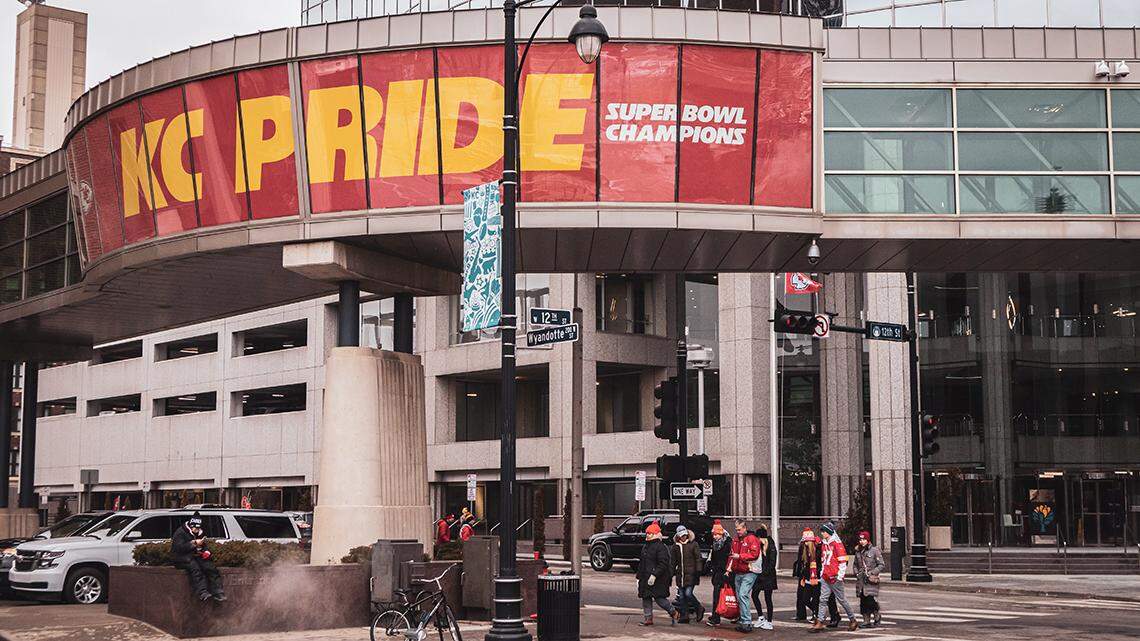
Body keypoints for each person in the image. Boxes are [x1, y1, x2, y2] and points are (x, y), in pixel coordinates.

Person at [811, 523, 858, 632]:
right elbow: (823, 560)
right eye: (822, 531)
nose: (822, 533)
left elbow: (842, 561)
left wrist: (840, 576)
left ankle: (853, 620)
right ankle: (820, 621)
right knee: (822, 599)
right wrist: (822, 573)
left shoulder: (837, 544)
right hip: (826, 577)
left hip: (835, 577)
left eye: (824, 531)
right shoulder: (824, 544)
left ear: (829, 532)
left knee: (842, 600)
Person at [730, 520, 773, 633]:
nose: (738, 532)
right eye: (736, 529)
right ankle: (744, 621)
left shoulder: (751, 539)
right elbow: (732, 555)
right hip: (739, 571)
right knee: (740, 596)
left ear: (744, 528)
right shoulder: (736, 540)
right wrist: (729, 568)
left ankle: (746, 622)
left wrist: (739, 556)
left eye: (739, 529)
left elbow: (754, 555)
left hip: (749, 571)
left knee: (743, 595)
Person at [172, 512, 225, 602]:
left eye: (198, 528)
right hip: (181, 558)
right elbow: (179, 548)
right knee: (196, 569)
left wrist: (206, 552)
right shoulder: (180, 533)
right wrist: (194, 543)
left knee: (210, 567)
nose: (197, 530)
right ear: (191, 525)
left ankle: (218, 592)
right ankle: (202, 593)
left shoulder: (200, 533)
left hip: (195, 556)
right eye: (195, 528)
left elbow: (203, 546)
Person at [637, 521, 678, 626]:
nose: (647, 535)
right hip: (645, 577)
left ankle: (672, 611)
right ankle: (648, 618)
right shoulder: (645, 547)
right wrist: (638, 578)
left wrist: (654, 575)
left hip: (658, 578)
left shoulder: (661, 547)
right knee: (646, 598)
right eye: (647, 533)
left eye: (649, 533)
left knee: (659, 599)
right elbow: (642, 564)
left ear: (655, 534)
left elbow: (663, 563)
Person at [853, 531, 885, 627]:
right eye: (861, 539)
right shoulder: (858, 551)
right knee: (863, 601)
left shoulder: (874, 550)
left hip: (871, 580)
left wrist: (872, 572)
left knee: (870, 600)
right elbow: (855, 564)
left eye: (864, 539)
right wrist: (856, 572)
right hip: (861, 580)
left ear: (868, 540)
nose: (862, 541)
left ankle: (877, 615)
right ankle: (866, 621)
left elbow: (881, 565)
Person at [672, 525, 702, 623]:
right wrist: (671, 572)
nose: (683, 537)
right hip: (680, 575)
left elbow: (698, 559)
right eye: (681, 535)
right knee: (681, 596)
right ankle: (685, 616)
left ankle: (699, 608)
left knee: (688, 594)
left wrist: (698, 571)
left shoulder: (693, 544)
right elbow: (673, 562)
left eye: (684, 535)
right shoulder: (675, 546)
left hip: (691, 574)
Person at [705, 520, 732, 627]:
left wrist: (727, 571)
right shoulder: (716, 544)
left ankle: (718, 617)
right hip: (718, 573)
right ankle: (716, 617)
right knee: (717, 596)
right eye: (714, 535)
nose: (715, 537)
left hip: (725, 573)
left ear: (722, 533)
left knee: (726, 595)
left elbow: (729, 559)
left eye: (717, 534)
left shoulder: (728, 543)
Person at [751, 524, 778, 624]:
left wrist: (764, 573)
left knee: (768, 598)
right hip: (760, 576)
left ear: (760, 537)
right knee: (754, 595)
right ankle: (761, 617)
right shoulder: (761, 545)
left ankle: (769, 621)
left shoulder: (770, 546)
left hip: (768, 576)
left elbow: (772, 563)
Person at [793, 527, 819, 622]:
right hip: (805, 576)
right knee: (803, 597)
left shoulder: (817, 550)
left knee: (814, 597)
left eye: (807, 541)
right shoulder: (803, 548)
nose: (805, 543)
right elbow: (801, 562)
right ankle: (804, 614)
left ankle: (816, 613)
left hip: (815, 576)